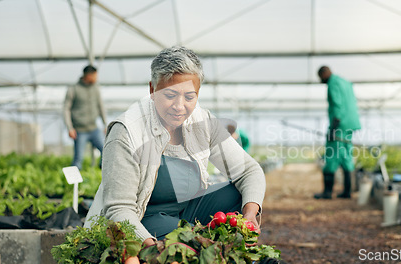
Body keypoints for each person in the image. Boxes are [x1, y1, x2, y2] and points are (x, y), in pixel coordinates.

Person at [84, 47, 266, 248]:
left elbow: (249, 170)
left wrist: (249, 214)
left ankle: (220, 250)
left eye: (189, 97)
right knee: (188, 239)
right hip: (146, 218)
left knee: (239, 196)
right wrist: (150, 248)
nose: (180, 106)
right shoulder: (127, 132)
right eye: (170, 95)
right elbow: (120, 209)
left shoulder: (203, 121)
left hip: (187, 211)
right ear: (152, 90)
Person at [314, 66, 361, 199]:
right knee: (346, 155)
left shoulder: (332, 83)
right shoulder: (345, 82)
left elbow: (337, 105)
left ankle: (327, 192)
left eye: (320, 78)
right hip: (350, 123)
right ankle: (347, 191)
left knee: (332, 155)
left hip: (340, 123)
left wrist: (334, 127)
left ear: (324, 74)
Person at [63, 65, 107, 169]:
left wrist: (105, 124)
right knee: (78, 159)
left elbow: (101, 107)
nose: (96, 79)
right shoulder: (73, 89)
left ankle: (101, 172)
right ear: (88, 76)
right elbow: (66, 109)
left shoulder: (96, 88)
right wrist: (70, 128)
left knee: (106, 150)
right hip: (79, 130)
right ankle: (74, 183)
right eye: (95, 76)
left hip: (94, 128)